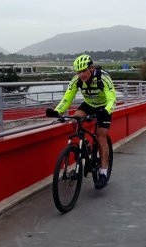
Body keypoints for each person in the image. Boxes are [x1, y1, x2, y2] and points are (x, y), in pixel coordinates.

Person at [46, 54, 116, 189]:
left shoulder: (103, 78)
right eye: (79, 72)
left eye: (84, 71)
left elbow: (112, 99)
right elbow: (67, 98)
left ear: (91, 68)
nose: (81, 74)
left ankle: (103, 171)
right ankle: (84, 145)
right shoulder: (76, 81)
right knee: (75, 119)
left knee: (101, 136)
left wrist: (106, 110)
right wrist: (57, 112)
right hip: (89, 104)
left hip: (104, 107)